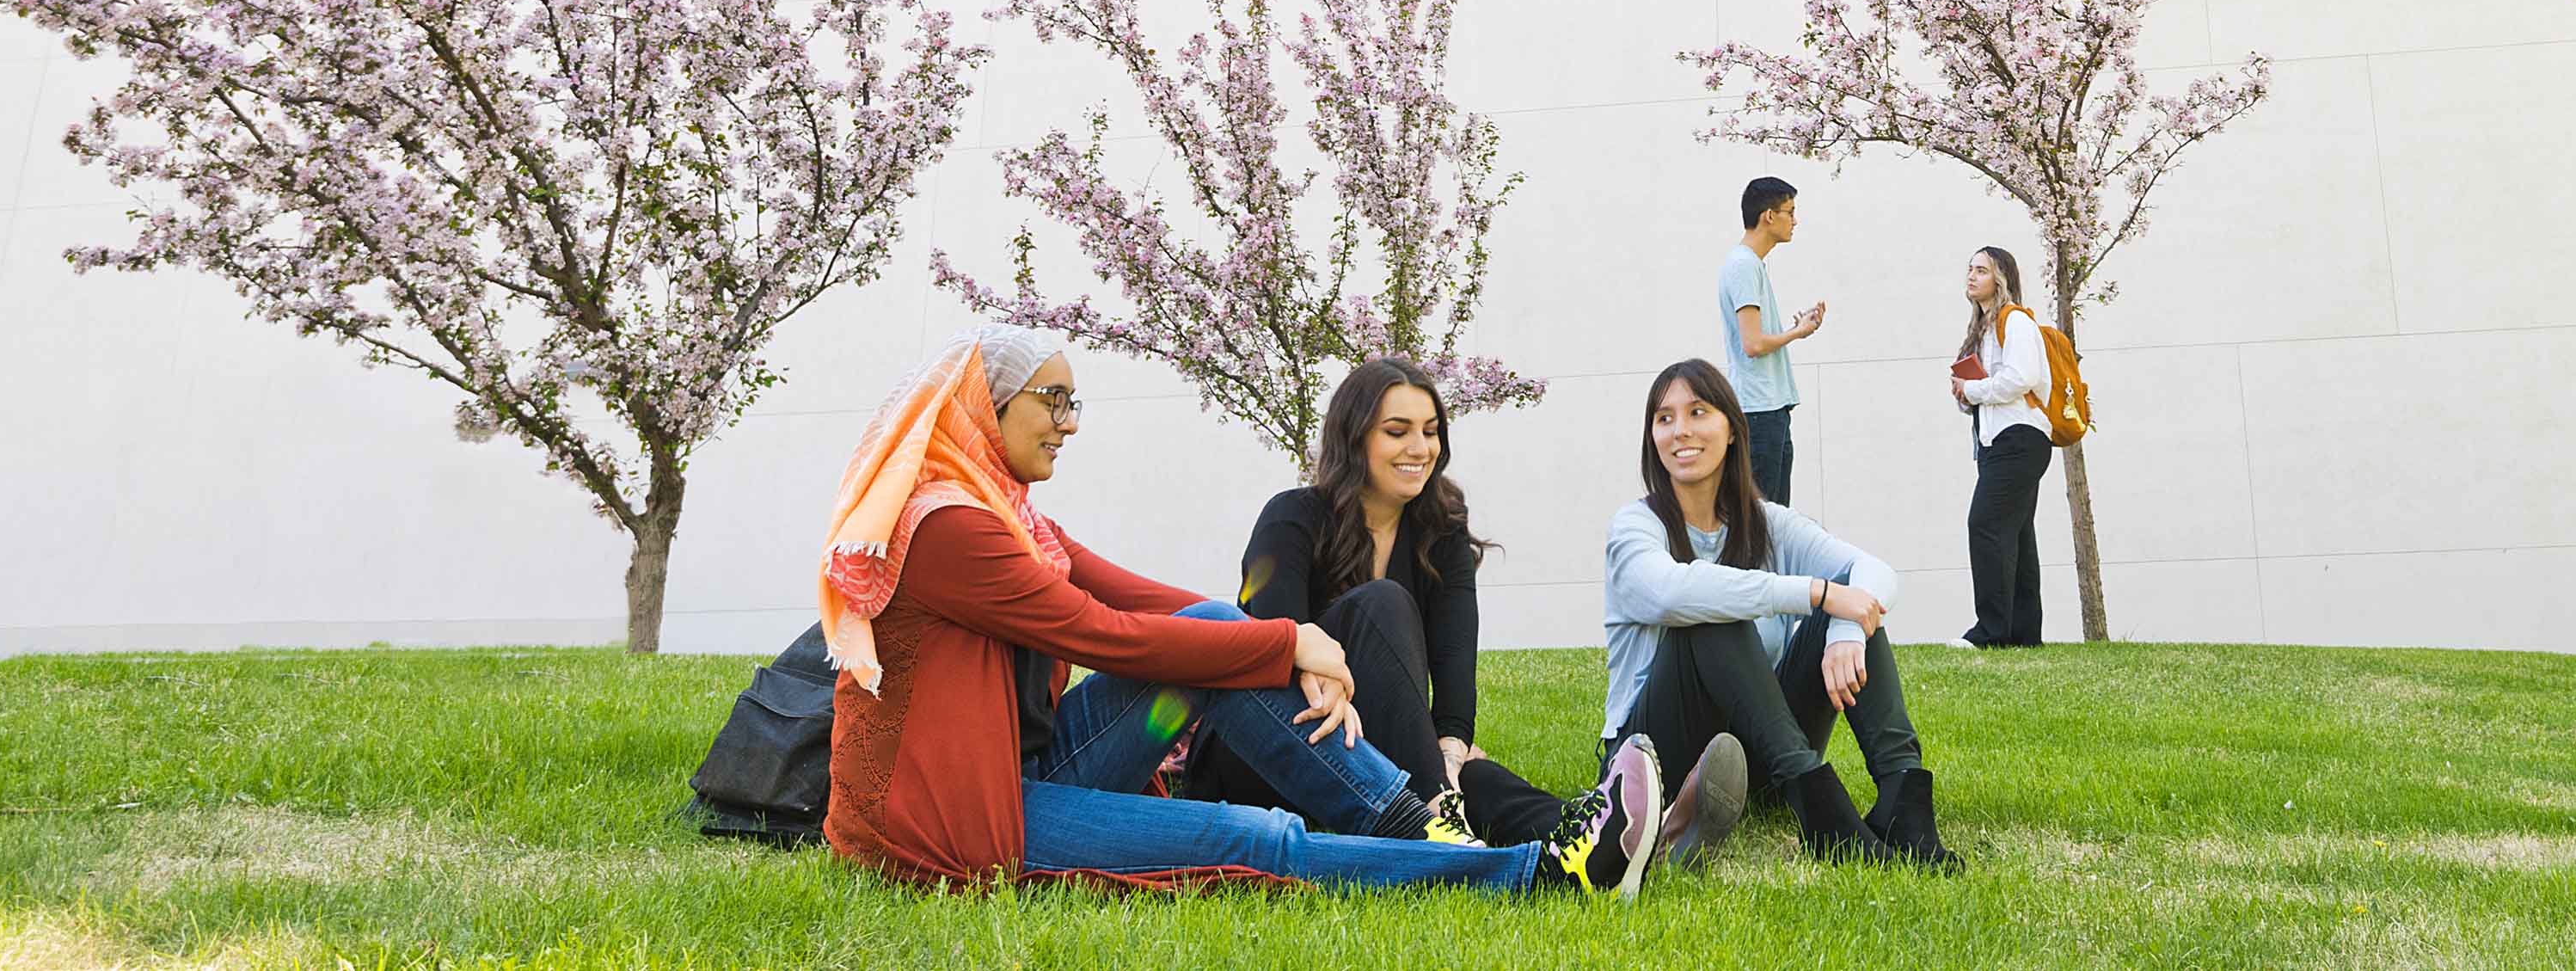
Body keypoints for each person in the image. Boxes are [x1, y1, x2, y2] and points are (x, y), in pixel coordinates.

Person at [818, 323, 1659, 896]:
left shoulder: (1008, 515)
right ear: (986, 401)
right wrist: (1285, 645)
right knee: (1252, 837)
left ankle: (1433, 828)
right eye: (1053, 400)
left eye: (1075, 403)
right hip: (959, 819)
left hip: (1026, 765)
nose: (1069, 424)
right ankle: (1529, 872)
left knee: (1218, 626)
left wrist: (1285, 639)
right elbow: (1095, 631)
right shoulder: (950, 529)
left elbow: (1142, 596)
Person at [1213, 359, 1749, 862]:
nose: (1420, 448)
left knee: (1465, 775)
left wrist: (1447, 753)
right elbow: (1272, 643)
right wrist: (1422, 760)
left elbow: (1453, 676)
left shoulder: (1439, 530)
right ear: (1354, 439)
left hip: (1363, 748)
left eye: (1431, 431)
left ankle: (1614, 835)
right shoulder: (1292, 518)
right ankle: (1439, 817)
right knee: (1383, 604)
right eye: (1397, 431)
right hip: (1266, 749)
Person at [1599, 357, 1960, 867]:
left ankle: (1904, 803)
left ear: (1731, 430)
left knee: (1851, 605)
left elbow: (1873, 572)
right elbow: (1669, 593)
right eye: (1664, 418)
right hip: (1655, 765)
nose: (1680, 430)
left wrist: (1844, 629)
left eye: (1698, 412)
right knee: (1710, 615)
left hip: (1756, 763)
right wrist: (1814, 592)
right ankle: (1821, 811)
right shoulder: (1636, 527)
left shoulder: (1768, 524)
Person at [1950, 246, 2052, 649]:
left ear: (2001, 279)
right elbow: (1984, 395)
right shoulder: (1982, 329)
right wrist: (1964, 393)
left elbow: (2020, 378)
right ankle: (2024, 635)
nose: (1972, 276)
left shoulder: (2016, 321)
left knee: (1986, 525)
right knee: (2018, 537)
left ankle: (1990, 633)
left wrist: (1973, 389)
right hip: (1998, 442)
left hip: (2020, 439)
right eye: (1970, 269)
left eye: (1981, 270)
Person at [1719, 175, 1825, 503]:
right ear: (1768, 216)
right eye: (1790, 212)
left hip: (1769, 407)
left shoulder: (1751, 265)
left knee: (1776, 518)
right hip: (1759, 410)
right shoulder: (1743, 266)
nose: (1795, 221)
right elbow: (1753, 344)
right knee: (1763, 518)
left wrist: (1795, 329)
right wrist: (1797, 332)